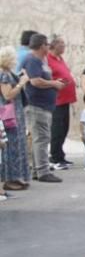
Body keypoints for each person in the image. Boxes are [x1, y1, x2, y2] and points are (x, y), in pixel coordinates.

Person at [23, 33, 65, 183]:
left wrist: (53, 82)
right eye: (47, 45)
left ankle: (37, 169)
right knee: (41, 138)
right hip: (37, 105)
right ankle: (42, 171)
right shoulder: (32, 60)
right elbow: (35, 81)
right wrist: (54, 84)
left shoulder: (40, 60)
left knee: (40, 138)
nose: (49, 47)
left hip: (44, 105)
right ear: (42, 46)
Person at [0, 46, 31, 190]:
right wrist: (21, 82)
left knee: (17, 145)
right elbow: (7, 95)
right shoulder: (4, 74)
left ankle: (18, 177)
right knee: (11, 146)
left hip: (16, 114)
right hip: (10, 115)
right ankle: (10, 178)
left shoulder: (8, 73)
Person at [46, 35, 76, 170]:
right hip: (56, 100)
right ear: (54, 45)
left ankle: (60, 155)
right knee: (57, 129)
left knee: (64, 128)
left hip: (66, 99)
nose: (64, 46)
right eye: (61, 44)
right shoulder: (48, 59)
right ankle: (54, 157)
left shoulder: (60, 58)